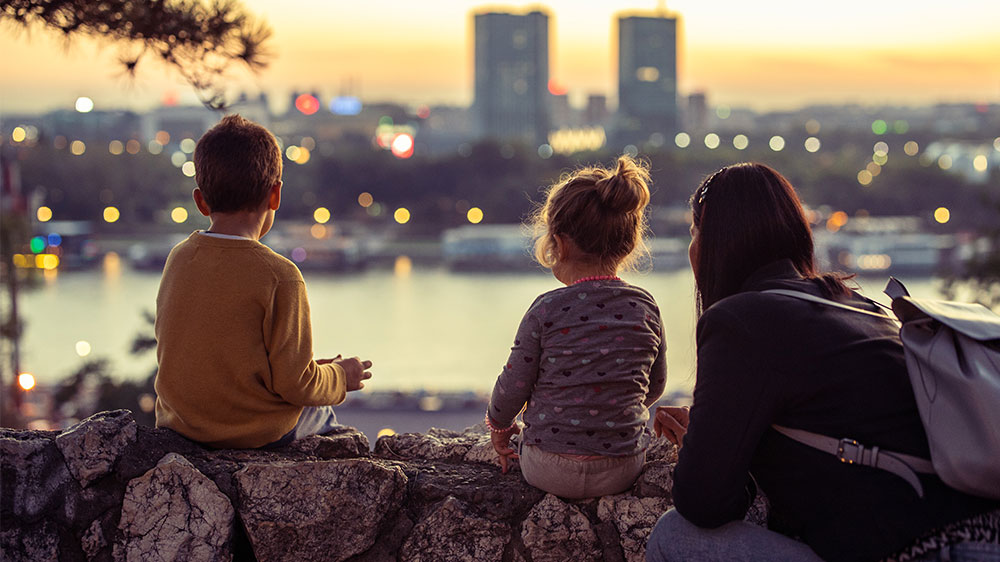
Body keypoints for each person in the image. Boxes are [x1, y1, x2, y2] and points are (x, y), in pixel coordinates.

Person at [645, 163, 999, 562]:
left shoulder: (741, 321)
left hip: (926, 549)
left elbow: (702, 501)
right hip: (983, 530)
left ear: (712, 242)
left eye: (694, 234)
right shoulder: (862, 305)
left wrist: (712, 444)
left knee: (674, 537)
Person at [154, 114, 372, 449]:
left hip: (183, 426)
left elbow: (212, 354)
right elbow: (296, 385)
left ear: (201, 201)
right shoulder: (280, 275)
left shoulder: (179, 258)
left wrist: (312, 369)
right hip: (254, 431)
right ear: (275, 196)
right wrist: (341, 377)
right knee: (324, 414)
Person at [486, 155, 667, 499]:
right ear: (628, 244)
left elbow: (513, 386)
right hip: (622, 468)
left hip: (547, 468)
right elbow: (654, 385)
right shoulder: (644, 306)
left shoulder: (546, 309)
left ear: (561, 243)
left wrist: (499, 427)